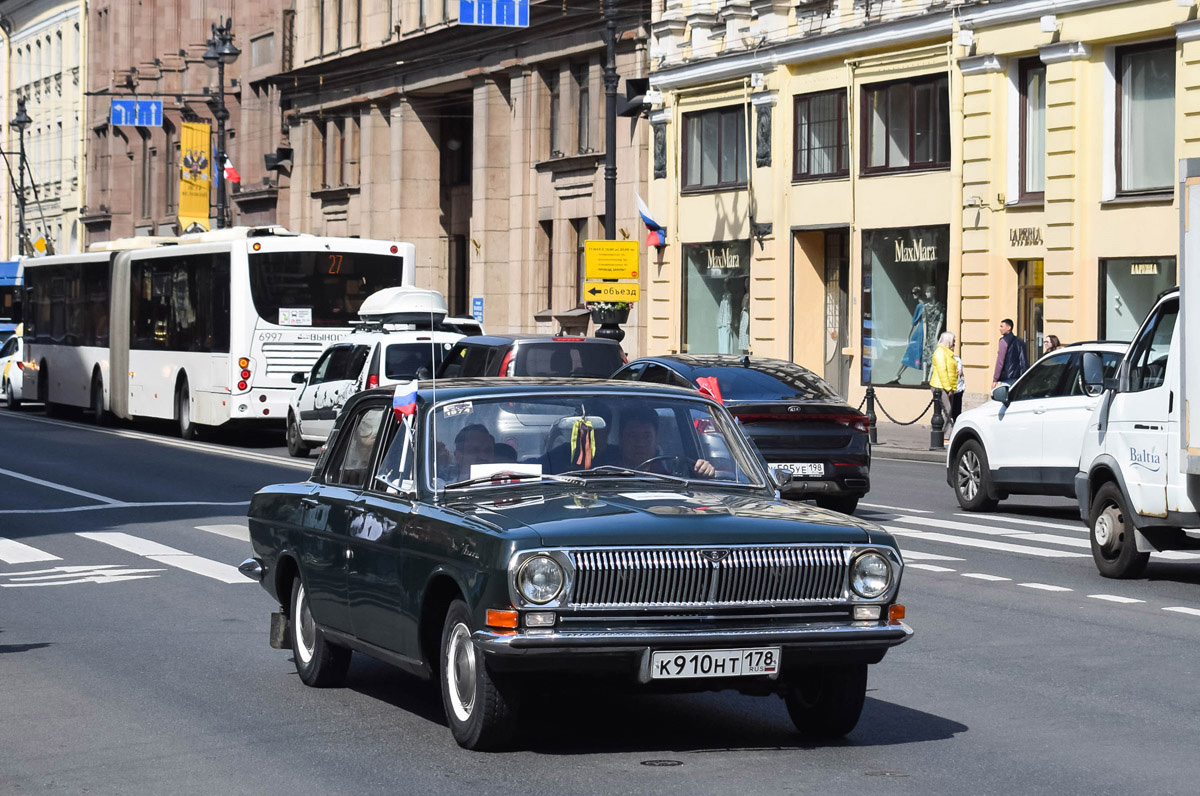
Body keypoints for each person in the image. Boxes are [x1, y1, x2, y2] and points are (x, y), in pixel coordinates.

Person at [597, 405, 716, 477]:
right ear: (621, 439)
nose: (640, 443)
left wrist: (705, 472)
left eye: (647, 436)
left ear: (656, 440)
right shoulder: (602, 473)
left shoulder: (673, 472)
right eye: (633, 436)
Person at [929, 331, 959, 441]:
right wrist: (948, 388)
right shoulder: (940, 353)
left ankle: (946, 434)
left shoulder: (946, 352)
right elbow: (942, 372)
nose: (954, 344)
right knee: (946, 410)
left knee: (947, 411)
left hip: (945, 385)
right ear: (948, 341)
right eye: (953, 342)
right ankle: (945, 435)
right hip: (940, 386)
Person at [992, 318, 1029, 389]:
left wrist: (995, 379)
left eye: (1001, 326)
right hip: (1020, 377)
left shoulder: (1003, 341)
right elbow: (1024, 360)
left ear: (1009, 328)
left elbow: (1000, 361)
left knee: (1003, 397)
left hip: (1008, 377)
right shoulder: (1020, 341)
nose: (999, 329)